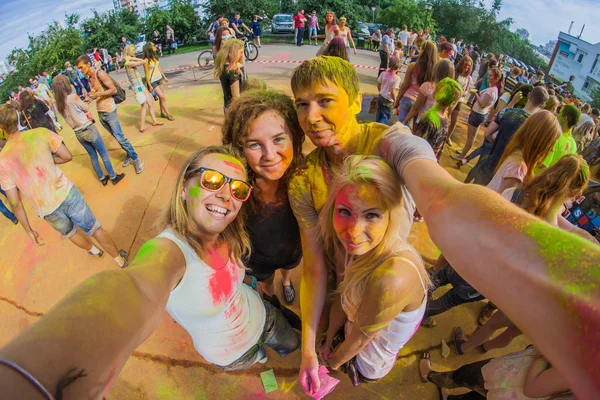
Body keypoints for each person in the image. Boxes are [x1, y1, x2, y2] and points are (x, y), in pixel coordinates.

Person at [2, 61, 600, 400]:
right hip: (310, 283)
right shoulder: (275, 185)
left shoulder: (380, 144)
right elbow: (160, 268)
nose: (310, 122)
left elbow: (440, 194)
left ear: (353, 101)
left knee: (327, 331)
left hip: (366, 287)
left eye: (317, 108)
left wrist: (574, 278)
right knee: (288, 312)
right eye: (300, 109)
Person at [455, 154, 592, 357]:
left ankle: (466, 347)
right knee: (505, 330)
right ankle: (480, 347)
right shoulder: (555, 231)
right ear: (573, 192)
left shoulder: (522, 196)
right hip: (540, 301)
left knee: (495, 323)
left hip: (519, 291)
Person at [317, 155, 430, 384]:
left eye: (371, 215)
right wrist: (329, 338)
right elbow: (342, 293)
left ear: (391, 216)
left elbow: (359, 341)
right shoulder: (350, 249)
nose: (353, 232)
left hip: (369, 363)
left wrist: (332, 364)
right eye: (345, 211)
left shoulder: (391, 278)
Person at [0, 104, 128, 266]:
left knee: (71, 233)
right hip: (66, 192)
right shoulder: (39, 134)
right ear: (18, 118)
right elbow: (67, 156)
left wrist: (29, 230)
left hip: (46, 208)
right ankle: (120, 260)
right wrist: (48, 159)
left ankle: (94, 250)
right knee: (94, 229)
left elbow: (15, 203)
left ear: (1, 128)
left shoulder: (3, 160)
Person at [222, 90, 305, 305]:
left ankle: (286, 283)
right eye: (254, 144)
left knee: (289, 268)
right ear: (239, 148)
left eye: (278, 139)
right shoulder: (235, 188)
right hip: (258, 257)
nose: (269, 155)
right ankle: (272, 296)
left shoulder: (306, 177)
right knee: (267, 283)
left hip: (293, 248)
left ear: (294, 137)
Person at [466, 86, 549, 185]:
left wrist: (498, 143)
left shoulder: (507, 112)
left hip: (491, 163)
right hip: (509, 174)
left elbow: (487, 134)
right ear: (543, 106)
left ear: (529, 95)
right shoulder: (537, 128)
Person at [76, 55, 144, 174]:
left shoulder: (100, 73)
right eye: (79, 68)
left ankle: (137, 158)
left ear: (88, 64)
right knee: (116, 136)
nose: (80, 70)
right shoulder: (89, 78)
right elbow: (96, 93)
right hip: (101, 112)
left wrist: (97, 95)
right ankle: (129, 155)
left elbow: (113, 90)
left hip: (109, 110)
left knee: (120, 137)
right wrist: (89, 99)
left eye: (81, 67)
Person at [419, 347, 572, 400]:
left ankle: (431, 376)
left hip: (510, 382)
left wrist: (543, 354)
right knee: (478, 396)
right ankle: (450, 398)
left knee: (466, 375)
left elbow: (532, 389)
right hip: (509, 389)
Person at [52, 75, 125, 186]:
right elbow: (85, 108)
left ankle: (102, 178)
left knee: (93, 156)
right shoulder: (73, 97)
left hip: (78, 133)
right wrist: (86, 101)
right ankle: (113, 177)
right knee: (103, 153)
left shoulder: (59, 104)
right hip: (88, 128)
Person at [487, 110, 561, 194]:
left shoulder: (516, 154)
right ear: (540, 141)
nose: (552, 149)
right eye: (551, 143)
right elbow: (502, 203)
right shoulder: (518, 169)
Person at [453, 67, 502, 161]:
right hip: (480, 114)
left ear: (496, 78)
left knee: (470, 137)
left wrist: (476, 95)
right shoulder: (494, 89)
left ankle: (462, 156)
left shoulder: (491, 91)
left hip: (478, 114)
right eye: (489, 75)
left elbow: (483, 104)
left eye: (491, 75)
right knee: (472, 136)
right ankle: (463, 151)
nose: (488, 77)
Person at [415, 77, 463, 161]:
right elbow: (418, 147)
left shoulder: (444, 116)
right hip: (422, 162)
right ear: (453, 102)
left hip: (430, 161)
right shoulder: (430, 119)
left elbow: (441, 144)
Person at [402, 59, 455, 131]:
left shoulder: (427, 86)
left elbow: (416, 108)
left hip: (423, 124)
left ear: (436, 70)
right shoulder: (452, 91)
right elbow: (449, 112)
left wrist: (405, 121)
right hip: (439, 126)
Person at [395, 41, 438, 129]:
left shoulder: (412, 66)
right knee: (416, 129)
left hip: (407, 99)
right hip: (421, 103)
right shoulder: (435, 70)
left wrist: (397, 100)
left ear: (422, 51)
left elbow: (404, 86)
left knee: (403, 127)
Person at [123, 44, 164, 132]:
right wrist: (129, 59)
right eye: (133, 50)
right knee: (144, 105)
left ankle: (154, 120)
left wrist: (131, 57)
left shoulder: (129, 60)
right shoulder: (128, 63)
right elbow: (143, 62)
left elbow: (142, 60)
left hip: (141, 85)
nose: (135, 51)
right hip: (137, 88)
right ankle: (142, 126)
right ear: (128, 52)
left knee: (150, 102)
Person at [541, 104, 580, 168]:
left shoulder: (554, 136)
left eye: (560, 112)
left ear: (565, 118)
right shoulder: (573, 145)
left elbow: (542, 164)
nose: (557, 115)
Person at [143, 43, 174, 121]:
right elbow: (146, 74)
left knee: (161, 98)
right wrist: (149, 85)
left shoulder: (155, 57)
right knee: (163, 97)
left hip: (159, 79)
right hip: (153, 81)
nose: (155, 46)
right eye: (153, 46)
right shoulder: (146, 60)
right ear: (149, 48)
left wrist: (164, 77)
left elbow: (158, 67)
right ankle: (168, 114)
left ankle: (162, 112)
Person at [447, 55, 473, 145]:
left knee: (454, 121)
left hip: (459, 101)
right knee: (445, 117)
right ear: (461, 64)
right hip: (450, 98)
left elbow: (467, 90)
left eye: (469, 65)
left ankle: (448, 136)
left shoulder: (468, 77)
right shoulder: (455, 72)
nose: (466, 67)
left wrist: (462, 93)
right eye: (465, 64)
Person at [214, 39, 246, 112]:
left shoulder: (223, 66)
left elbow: (242, 63)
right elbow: (236, 97)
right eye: (241, 52)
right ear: (233, 53)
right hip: (235, 109)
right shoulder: (233, 72)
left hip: (227, 106)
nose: (242, 55)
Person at [376, 56, 401, 124]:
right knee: (387, 115)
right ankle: (380, 126)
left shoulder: (383, 73)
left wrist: (381, 91)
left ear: (389, 64)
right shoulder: (397, 78)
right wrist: (396, 102)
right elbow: (393, 91)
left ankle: (376, 125)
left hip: (381, 96)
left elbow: (378, 85)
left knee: (379, 113)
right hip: (388, 100)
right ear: (398, 68)